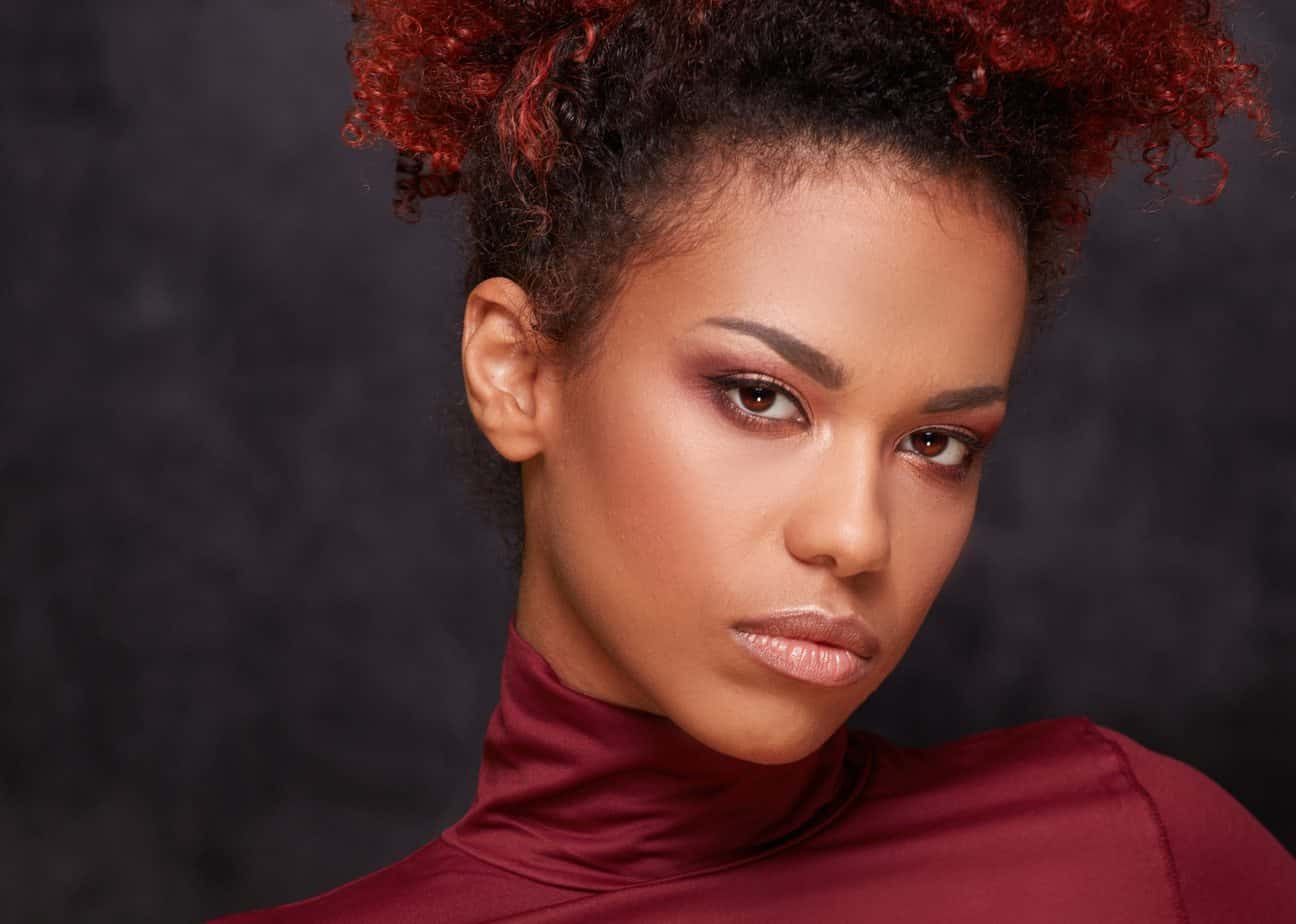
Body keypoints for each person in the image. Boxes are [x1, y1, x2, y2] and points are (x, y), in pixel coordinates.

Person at [214, 0, 1294, 920]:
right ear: (517, 372)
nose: (854, 536)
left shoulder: (1137, 865)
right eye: (762, 397)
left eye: (936, 443)